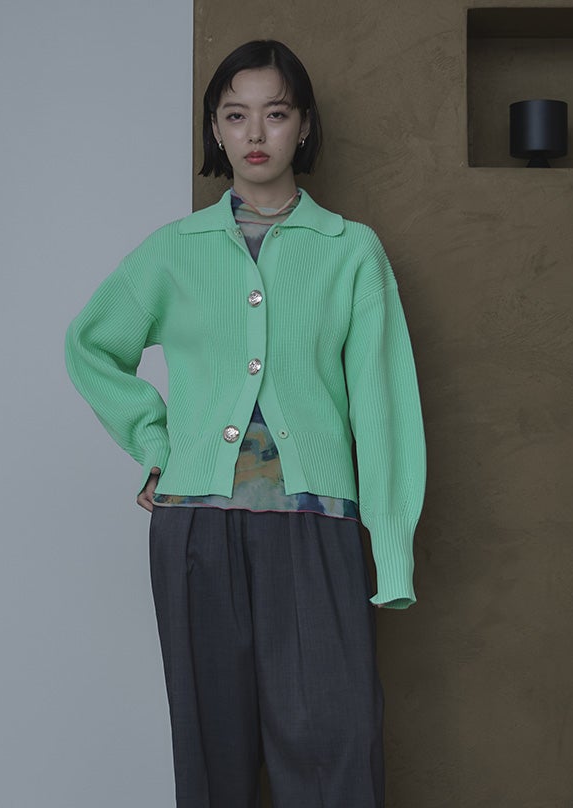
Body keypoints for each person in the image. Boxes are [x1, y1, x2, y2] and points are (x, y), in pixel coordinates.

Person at [65, 39, 426, 808]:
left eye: (275, 113)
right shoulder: (173, 250)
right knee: (212, 762)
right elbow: (89, 347)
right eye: (236, 115)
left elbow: (384, 408)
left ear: (304, 126)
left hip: (316, 528)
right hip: (195, 531)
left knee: (336, 754)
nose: (255, 133)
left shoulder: (349, 251)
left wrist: (391, 550)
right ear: (216, 130)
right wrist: (157, 447)